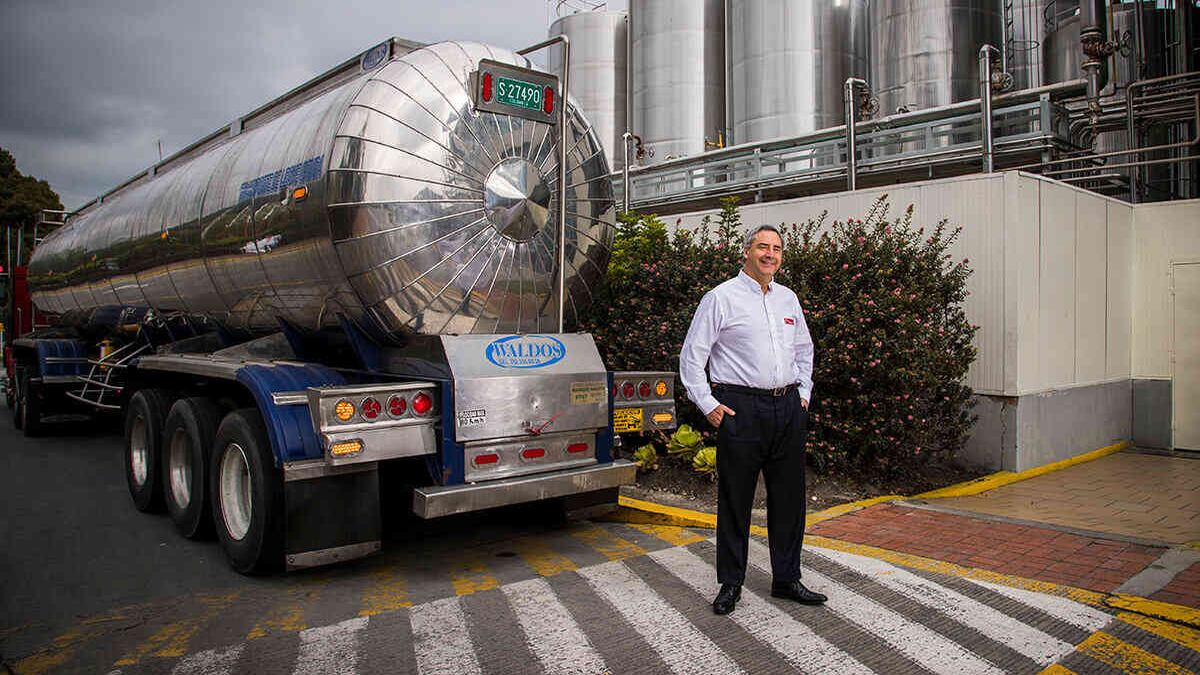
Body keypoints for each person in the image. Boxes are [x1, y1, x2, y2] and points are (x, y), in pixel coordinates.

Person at [678, 224, 827, 615]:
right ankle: (730, 583)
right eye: (763, 247)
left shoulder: (788, 299)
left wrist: (804, 395)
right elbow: (692, 358)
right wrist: (708, 404)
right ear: (746, 252)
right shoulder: (720, 298)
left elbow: (804, 351)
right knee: (735, 500)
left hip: (787, 409)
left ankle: (787, 579)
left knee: (789, 500)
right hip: (739, 409)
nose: (770, 254)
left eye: (776, 249)